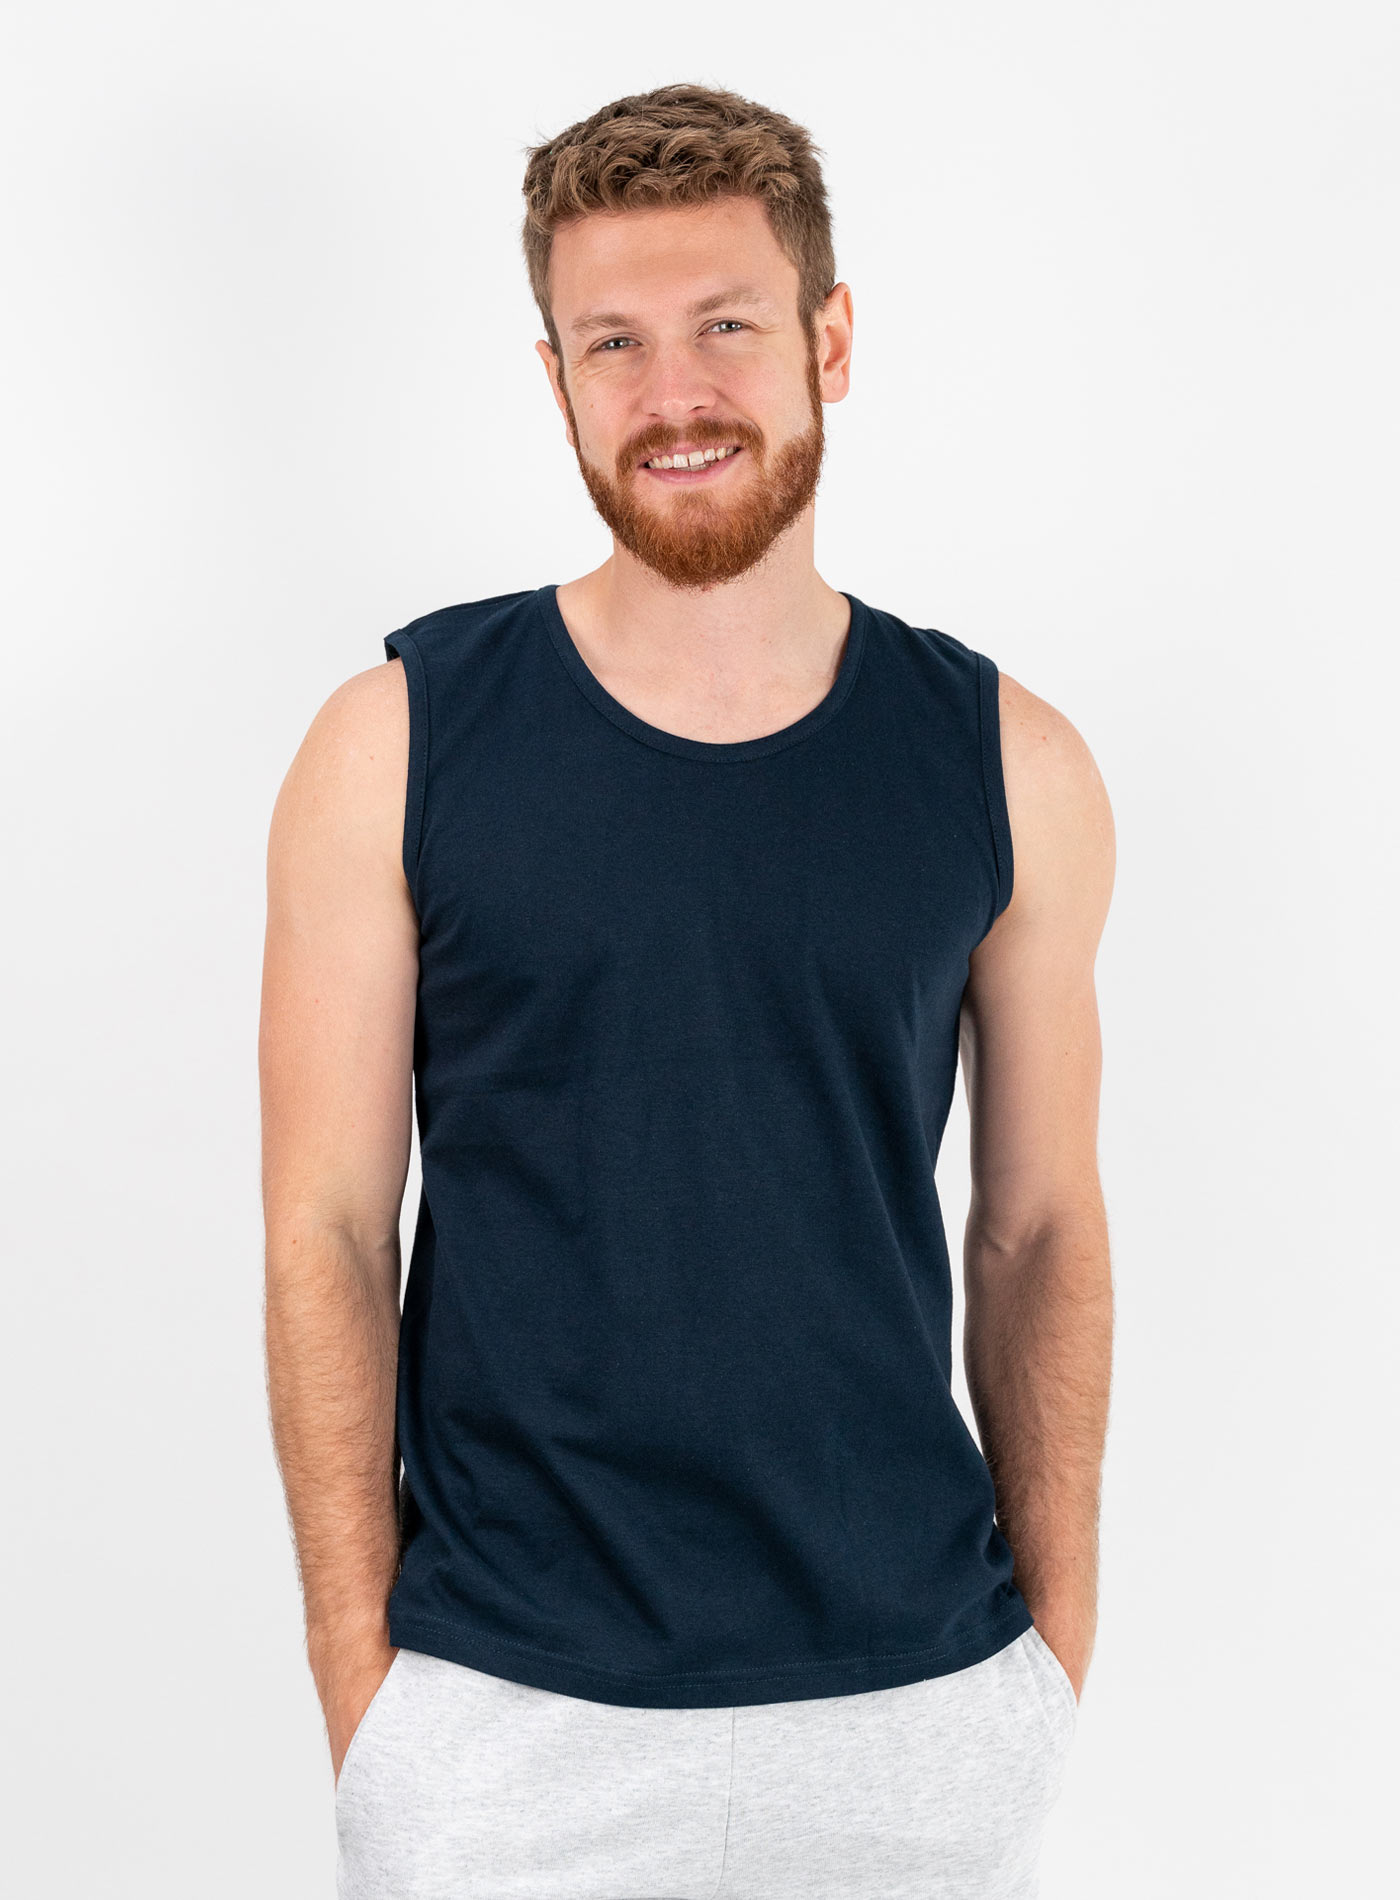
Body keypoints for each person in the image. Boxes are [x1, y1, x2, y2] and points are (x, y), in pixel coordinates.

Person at [260, 80, 1116, 1900]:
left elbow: (1039, 1226)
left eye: (726, 325)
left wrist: (1047, 1666)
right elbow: (326, 1226)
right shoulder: (394, 745)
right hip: (499, 1723)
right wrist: (367, 1689)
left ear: (829, 341)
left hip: (916, 1715)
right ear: (556, 379)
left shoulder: (1006, 761)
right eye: (614, 343)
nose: (674, 396)